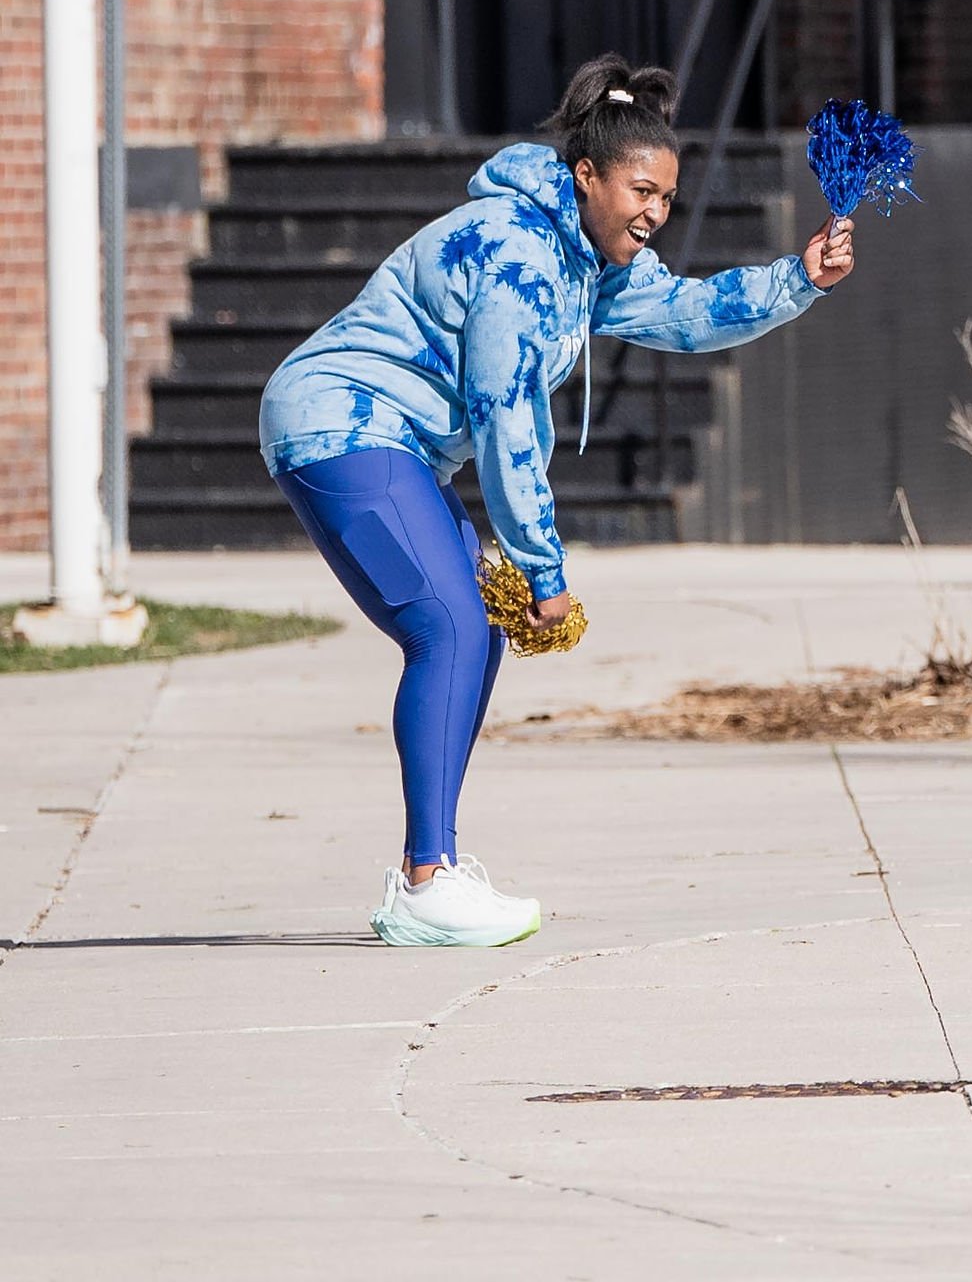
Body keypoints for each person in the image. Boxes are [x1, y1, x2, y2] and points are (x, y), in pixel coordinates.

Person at [259, 57, 856, 951]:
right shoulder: (519, 258)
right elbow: (507, 424)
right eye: (640, 191)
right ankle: (428, 880)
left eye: (666, 196)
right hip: (339, 423)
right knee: (450, 628)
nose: (655, 213)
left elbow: (687, 313)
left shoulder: (584, 254)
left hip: (393, 444)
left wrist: (798, 276)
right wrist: (545, 570)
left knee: (470, 630)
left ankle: (436, 870)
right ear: (587, 176)